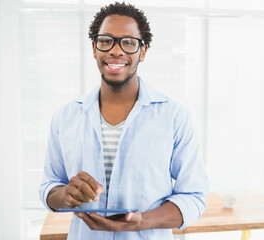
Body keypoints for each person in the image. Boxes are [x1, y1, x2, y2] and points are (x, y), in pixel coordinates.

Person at [39, 2, 209, 239]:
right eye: (106, 40)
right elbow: (49, 187)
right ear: (94, 48)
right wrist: (65, 194)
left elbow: (193, 197)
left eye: (128, 42)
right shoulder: (65, 117)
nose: (116, 51)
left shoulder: (175, 117)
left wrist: (142, 222)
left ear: (143, 51)